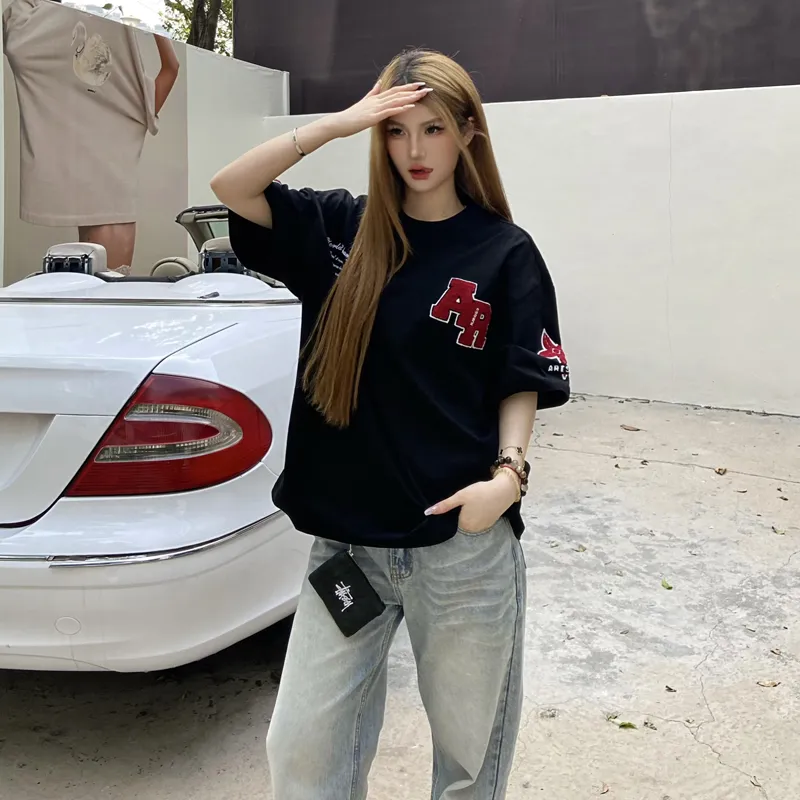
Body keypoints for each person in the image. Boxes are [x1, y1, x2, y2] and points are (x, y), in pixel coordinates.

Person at [211, 47, 570, 800]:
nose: (415, 150)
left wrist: (508, 477)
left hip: (463, 548)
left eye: (433, 129)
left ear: (467, 133)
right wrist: (340, 123)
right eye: (396, 130)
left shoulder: (505, 252)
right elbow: (231, 186)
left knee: (469, 767)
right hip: (349, 546)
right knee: (303, 750)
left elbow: (520, 378)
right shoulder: (339, 230)